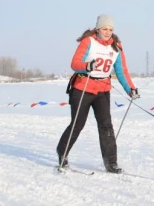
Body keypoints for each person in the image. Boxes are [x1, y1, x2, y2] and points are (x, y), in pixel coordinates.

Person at [56, 14, 139, 173]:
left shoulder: (116, 46)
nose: (108, 32)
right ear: (98, 28)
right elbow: (75, 63)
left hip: (102, 90)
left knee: (106, 126)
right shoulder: (88, 41)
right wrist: (86, 66)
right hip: (82, 88)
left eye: (110, 29)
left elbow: (121, 71)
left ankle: (111, 162)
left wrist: (130, 89)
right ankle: (62, 153)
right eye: (104, 29)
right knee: (78, 124)